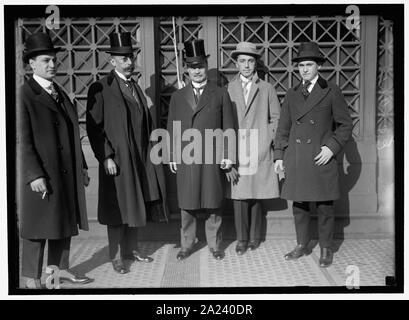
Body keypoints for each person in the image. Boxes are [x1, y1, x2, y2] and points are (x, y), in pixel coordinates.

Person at [86, 32, 169, 274]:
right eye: (123, 59)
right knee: (117, 209)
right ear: (112, 61)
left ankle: (130, 250)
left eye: (130, 57)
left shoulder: (135, 87)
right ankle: (115, 257)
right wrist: (106, 156)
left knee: (135, 204)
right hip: (118, 160)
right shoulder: (101, 87)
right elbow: (94, 126)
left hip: (140, 158)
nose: (129, 62)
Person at [18, 32, 93, 288]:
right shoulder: (24, 95)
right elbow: (21, 140)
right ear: (32, 64)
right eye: (46, 60)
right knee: (37, 227)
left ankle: (58, 272)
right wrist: (33, 174)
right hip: (42, 173)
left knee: (62, 223)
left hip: (65, 172)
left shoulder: (60, 92)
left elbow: (73, 132)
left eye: (54, 60)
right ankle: (30, 278)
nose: (53, 65)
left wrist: (82, 166)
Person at [273, 42, 353, 267]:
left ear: (318, 66)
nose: (305, 69)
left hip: (321, 157)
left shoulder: (331, 90)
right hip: (297, 158)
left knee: (324, 207)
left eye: (309, 64)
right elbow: (283, 128)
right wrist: (279, 155)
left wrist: (331, 148)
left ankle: (326, 248)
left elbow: (345, 125)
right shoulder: (292, 93)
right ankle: (302, 244)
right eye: (301, 65)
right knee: (299, 205)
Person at [167, 39, 235, 261]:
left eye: (200, 66)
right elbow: (172, 127)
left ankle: (215, 245)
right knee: (187, 203)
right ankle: (187, 244)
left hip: (212, 157)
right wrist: (172, 154)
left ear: (206, 66)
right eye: (192, 67)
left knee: (213, 202)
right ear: (186, 69)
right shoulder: (177, 97)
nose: (197, 71)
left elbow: (228, 126)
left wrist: (228, 155)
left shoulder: (220, 93)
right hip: (187, 157)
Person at [226, 42, 281, 255]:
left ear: (255, 63)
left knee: (257, 194)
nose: (247, 65)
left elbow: (276, 118)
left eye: (250, 61)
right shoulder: (228, 89)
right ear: (236, 63)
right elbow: (223, 121)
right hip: (237, 150)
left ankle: (254, 238)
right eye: (242, 61)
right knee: (239, 196)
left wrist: (267, 137)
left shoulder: (267, 88)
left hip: (260, 149)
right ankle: (241, 239)